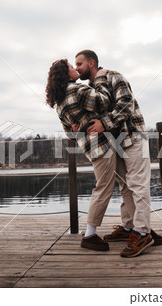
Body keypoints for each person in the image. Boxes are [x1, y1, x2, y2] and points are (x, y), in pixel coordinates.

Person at [75, 50, 162, 258]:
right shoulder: (91, 89)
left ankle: (143, 233)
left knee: (138, 184)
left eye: (79, 64)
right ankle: (128, 227)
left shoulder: (113, 76)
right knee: (125, 185)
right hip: (115, 143)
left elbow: (126, 104)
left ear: (91, 63)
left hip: (133, 137)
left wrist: (104, 123)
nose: (77, 68)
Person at [45, 59, 119, 252]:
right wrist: (101, 80)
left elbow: (70, 134)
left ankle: (128, 227)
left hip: (90, 149)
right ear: (66, 74)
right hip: (102, 145)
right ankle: (90, 234)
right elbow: (106, 101)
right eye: (71, 66)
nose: (75, 68)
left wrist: (78, 126)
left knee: (108, 185)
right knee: (103, 188)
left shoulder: (59, 102)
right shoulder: (77, 90)